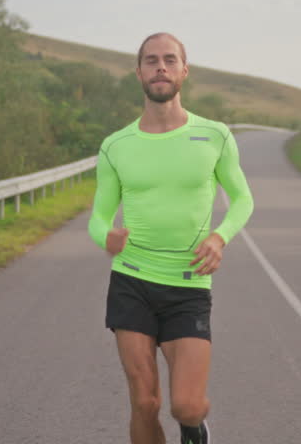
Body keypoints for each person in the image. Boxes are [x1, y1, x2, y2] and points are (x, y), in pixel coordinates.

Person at [87, 32, 254, 444]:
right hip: (132, 282)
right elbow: (98, 216)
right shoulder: (115, 146)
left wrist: (219, 238)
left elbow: (242, 199)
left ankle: (195, 428)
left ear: (184, 70)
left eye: (168, 59)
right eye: (150, 60)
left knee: (186, 406)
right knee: (144, 402)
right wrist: (105, 237)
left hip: (188, 284)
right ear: (139, 72)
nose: (159, 66)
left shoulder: (215, 135)